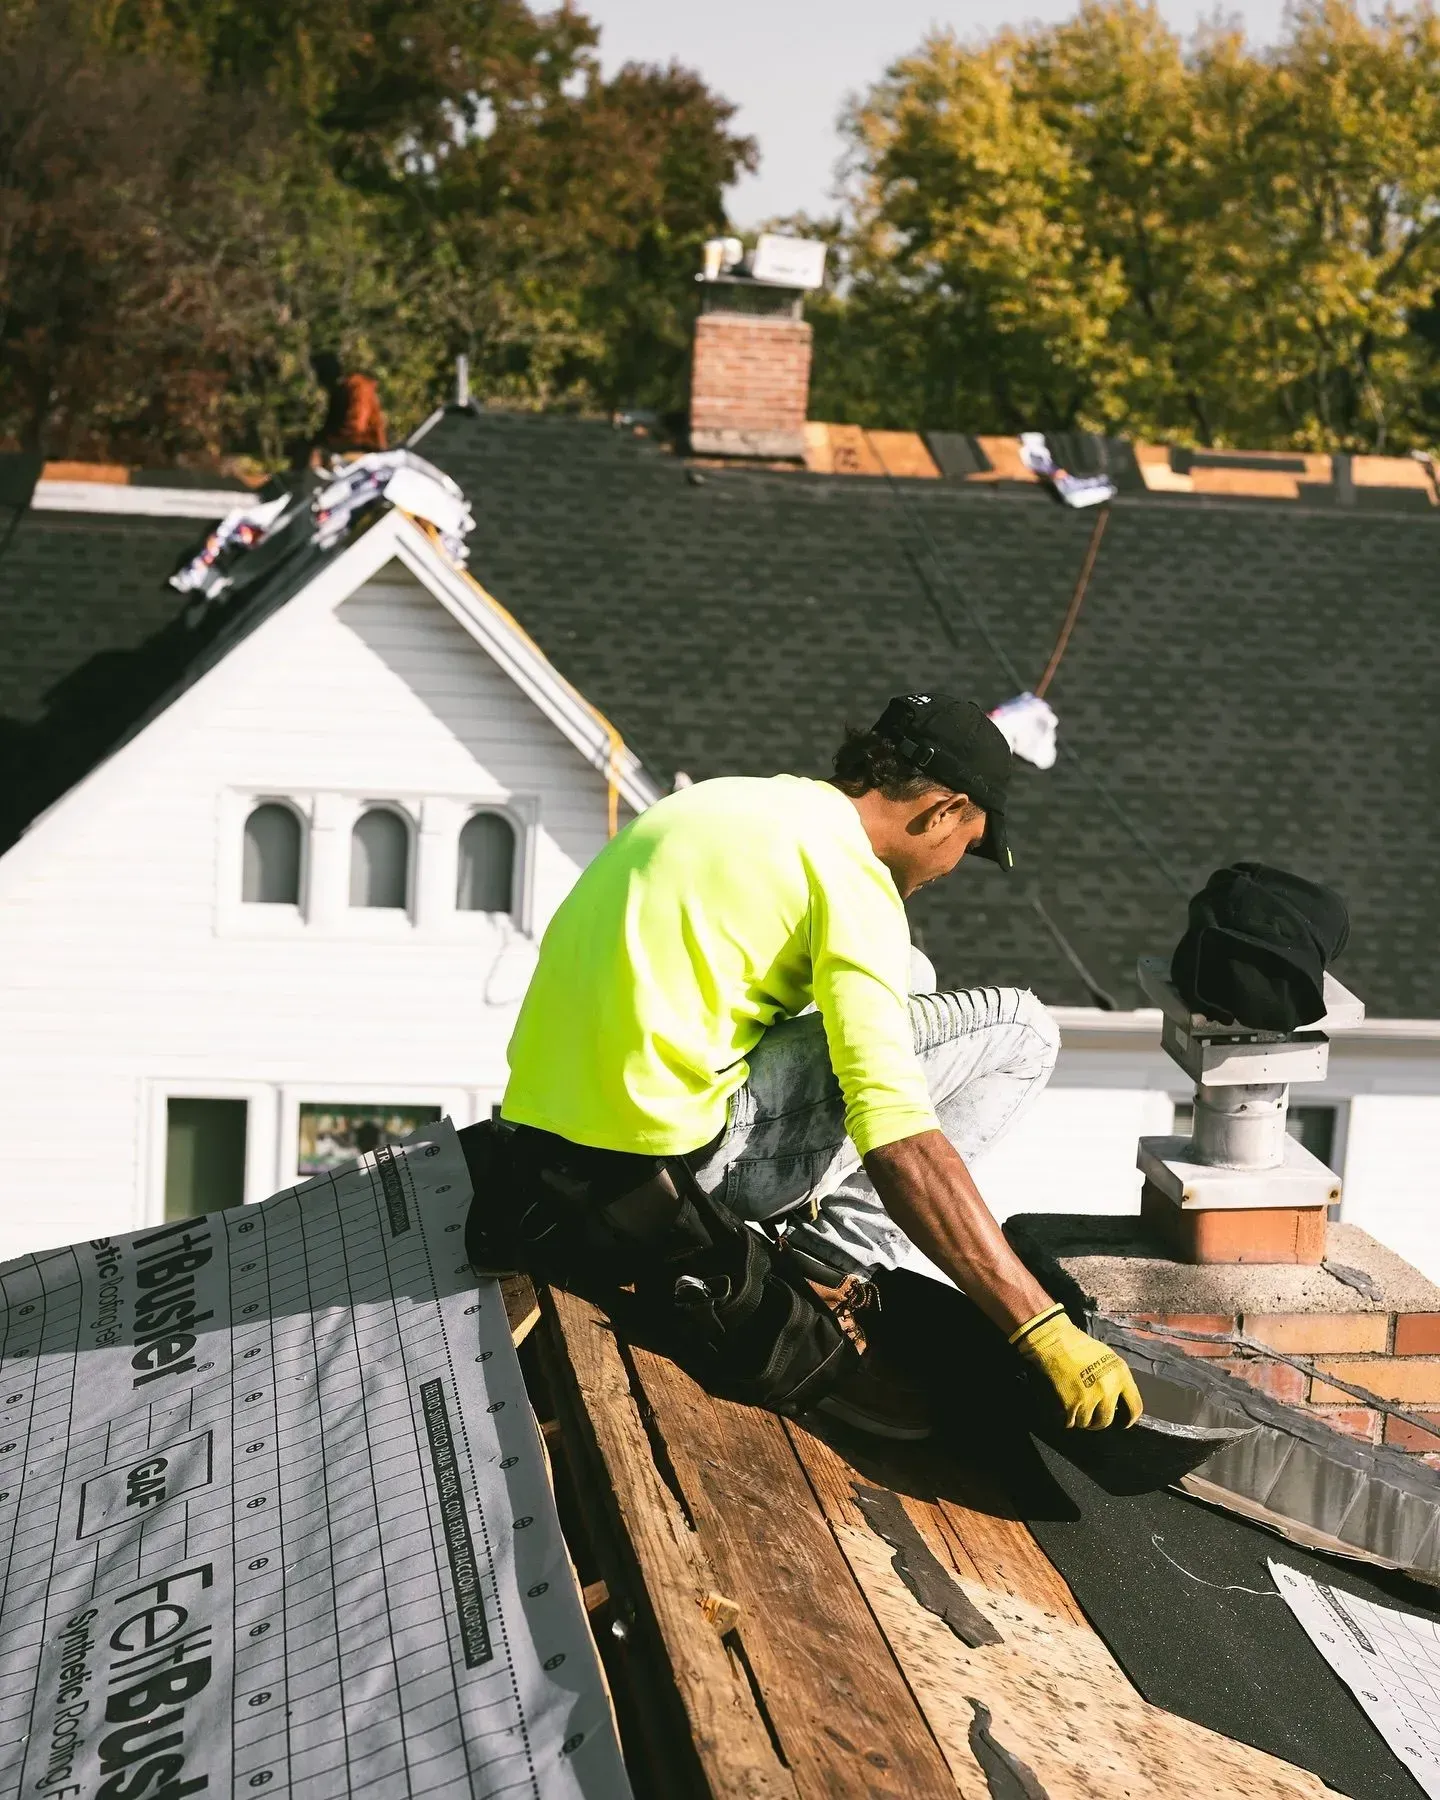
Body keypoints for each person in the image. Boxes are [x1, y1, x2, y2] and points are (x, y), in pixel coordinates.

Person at [485, 692, 1142, 1441]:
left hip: (548, 1143)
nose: (957, 867)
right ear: (942, 811)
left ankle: (815, 1232)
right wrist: (1039, 1325)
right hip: (663, 1179)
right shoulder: (851, 882)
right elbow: (898, 1136)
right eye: (971, 842)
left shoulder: (725, 805)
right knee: (1022, 1028)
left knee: (910, 976)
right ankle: (839, 1263)